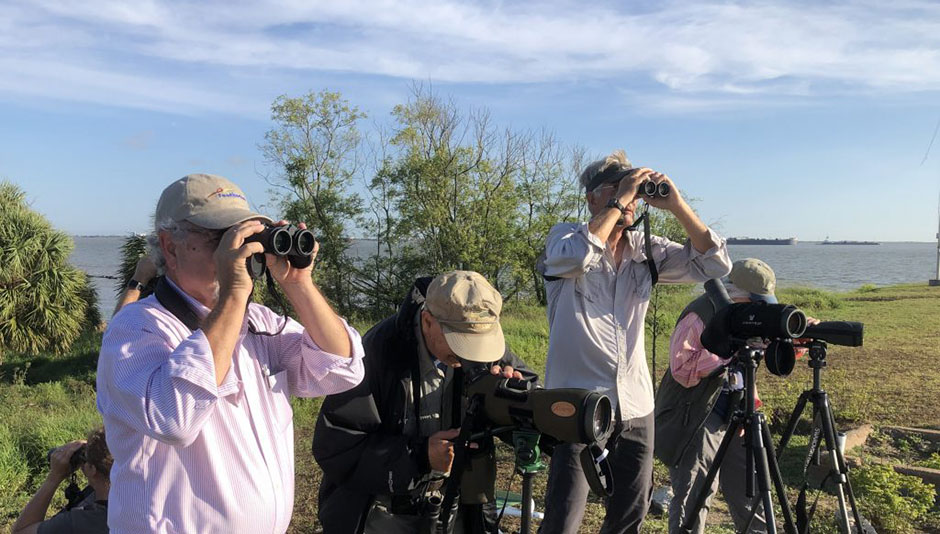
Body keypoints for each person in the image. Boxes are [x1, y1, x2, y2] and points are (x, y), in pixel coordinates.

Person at [96, 173, 365, 534]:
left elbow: (341, 370)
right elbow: (174, 419)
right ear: (170, 246)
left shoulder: (258, 322)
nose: (237, 250)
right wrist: (234, 294)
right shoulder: (135, 328)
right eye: (219, 238)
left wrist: (299, 285)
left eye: (245, 235)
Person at [537, 150, 732, 534]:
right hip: (578, 405)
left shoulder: (647, 250)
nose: (629, 199)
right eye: (615, 189)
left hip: (635, 405)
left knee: (630, 513)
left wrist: (676, 205)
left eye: (633, 191)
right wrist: (619, 199)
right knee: (564, 515)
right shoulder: (565, 237)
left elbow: (715, 264)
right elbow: (577, 259)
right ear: (592, 198)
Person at [313, 270, 537, 534]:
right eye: (461, 343)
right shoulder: (375, 353)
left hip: (459, 508)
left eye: (480, 343)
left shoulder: (483, 349)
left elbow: (533, 395)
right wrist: (420, 457)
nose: (470, 355)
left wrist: (512, 397)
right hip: (382, 514)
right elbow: (337, 447)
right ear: (428, 321)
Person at [655, 258, 816, 534]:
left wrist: (799, 335)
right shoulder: (700, 313)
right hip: (694, 413)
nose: (758, 311)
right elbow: (682, 367)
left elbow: (775, 349)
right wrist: (729, 353)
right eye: (754, 303)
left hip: (739, 412)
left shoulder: (752, 314)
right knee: (696, 493)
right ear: (736, 295)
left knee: (750, 489)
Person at [12, 427, 112, 534]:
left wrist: (54, 477)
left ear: (92, 469)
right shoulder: (129, 498)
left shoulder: (83, 521)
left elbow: (21, 530)